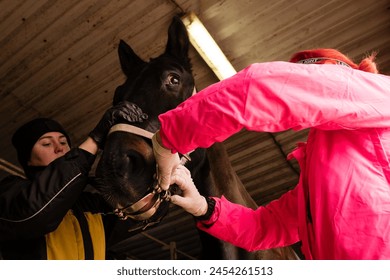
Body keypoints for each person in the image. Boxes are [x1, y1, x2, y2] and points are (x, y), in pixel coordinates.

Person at [151, 48, 390, 260]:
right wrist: (204, 207)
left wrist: (169, 138)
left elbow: (258, 87)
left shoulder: (373, 91)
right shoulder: (321, 179)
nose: (302, 84)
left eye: (306, 77)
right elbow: (266, 226)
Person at [0, 102, 145, 259]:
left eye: (63, 142)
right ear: (28, 159)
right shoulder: (10, 192)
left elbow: (139, 212)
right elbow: (36, 212)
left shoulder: (92, 205)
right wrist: (95, 139)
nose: (59, 148)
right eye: (46, 143)